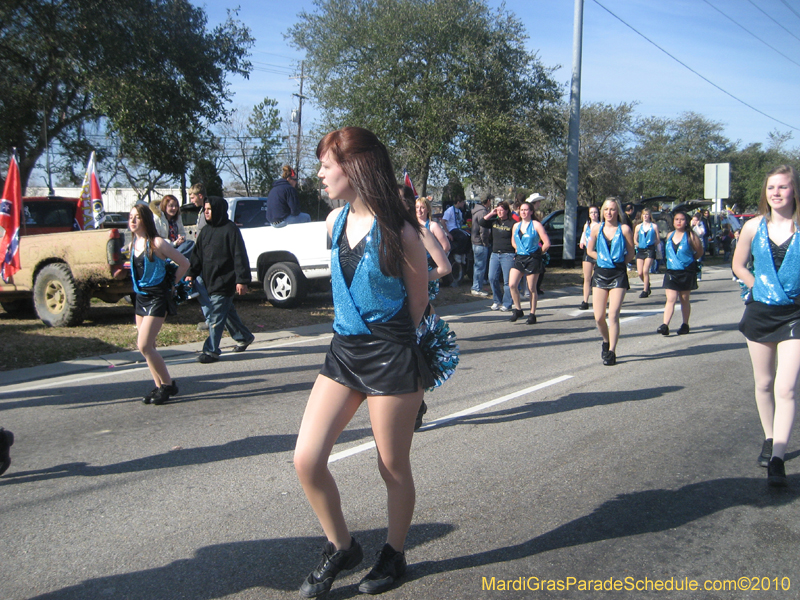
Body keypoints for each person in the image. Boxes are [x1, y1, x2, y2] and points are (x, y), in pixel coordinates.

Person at [293, 127, 431, 597]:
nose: (320, 174)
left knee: (391, 466)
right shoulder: (333, 222)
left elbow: (418, 305)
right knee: (307, 459)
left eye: (326, 165)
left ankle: (394, 553)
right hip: (343, 352)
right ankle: (342, 545)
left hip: (390, 356)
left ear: (354, 168)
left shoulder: (402, 232)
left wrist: (404, 367)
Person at [732, 165, 800, 488]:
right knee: (764, 383)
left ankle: (777, 459)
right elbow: (738, 264)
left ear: (794, 190)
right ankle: (770, 437)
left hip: (795, 315)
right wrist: (755, 285)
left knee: (786, 388)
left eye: (783, 187)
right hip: (760, 312)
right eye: (771, 187)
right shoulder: (752, 227)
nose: (776, 193)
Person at [128, 204, 190, 404]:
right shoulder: (133, 244)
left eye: (137, 217)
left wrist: (172, 284)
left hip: (157, 297)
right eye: (130, 217)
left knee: (144, 345)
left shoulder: (157, 243)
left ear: (146, 220)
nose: (132, 221)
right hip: (141, 298)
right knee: (149, 347)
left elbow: (184, 263)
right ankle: (159, 386)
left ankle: (168, 385)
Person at [186, 196, 255, 363]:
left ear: (218, 210)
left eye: (209, 209)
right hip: (210, 281)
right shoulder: (205, 231)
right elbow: (197, 256)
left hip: (226, 280)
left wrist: (242, 280)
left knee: (216, 316)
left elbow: (239, 255)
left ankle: (211, 351)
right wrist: (191, 273)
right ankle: (243, 336)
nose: (206, 212)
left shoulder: (230, 229)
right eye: (205, 209)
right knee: (227, 313)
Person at [587, 197, 635, 366]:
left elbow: (631, 252)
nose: (609, 212)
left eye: (612, 209)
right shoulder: (596, 229)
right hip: (600, 273)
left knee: (613, 314)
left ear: (617, 211)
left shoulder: (625, 229)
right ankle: (606, 341)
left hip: (618, 274)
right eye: (606, 209)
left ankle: (612, 351)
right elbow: (590, 250)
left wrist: (619, 263)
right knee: (599, 317)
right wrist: (602, 259)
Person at [656, 211, 703, 336]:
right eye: (676, 219)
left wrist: (689, 261)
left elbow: (699, 251)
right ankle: (665, 325)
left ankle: (685, 324)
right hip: (671, 271)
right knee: (671, 298)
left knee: (684, 299)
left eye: (682, 219)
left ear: (686, 222)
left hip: (686, 271)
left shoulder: (691, 236)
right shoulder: (670, 235)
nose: (679, 222)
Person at [508, 201, 550, 324]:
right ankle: (518, 309)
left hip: (532, 258)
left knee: (531, 288)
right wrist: (517, 248)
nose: (524, 212)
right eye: (522, 210)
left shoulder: (536, 225)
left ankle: (532, 313)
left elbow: (547, 243)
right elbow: (513, 241)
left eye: (526, 210)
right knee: (512, 284)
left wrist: (539, 253)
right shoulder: (516, 226)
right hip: (520, 257)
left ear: (531, 211)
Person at [480, 200, 516, 311]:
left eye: (502, 210)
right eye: (498, 210)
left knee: (507, 281)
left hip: (508, 254)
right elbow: (482, 222)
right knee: (492, 278)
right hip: (495, 254)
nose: (499, 212)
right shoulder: (494, 222)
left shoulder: (512, 223)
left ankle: (507, 303)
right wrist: (492, 213)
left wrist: (516, 253)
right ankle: (497, 300)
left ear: (507, 211)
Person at [187, 183, 212, 329]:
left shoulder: (207, 212)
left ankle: (211, 320)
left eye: (192, 197)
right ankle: (213, 319)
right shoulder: (202, 211)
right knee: (201, 285)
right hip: (202, 255)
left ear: (200, 196)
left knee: (201, 284)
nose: (191, 200)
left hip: (206, 256)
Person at [154, 194, 194, 260]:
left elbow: (182, 232)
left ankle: (174, 258)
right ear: (165, 206)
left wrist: (181, 239)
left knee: (190, 243)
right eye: (171, 206)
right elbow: (157, 239)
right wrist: (174, 243)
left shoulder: (178, 218)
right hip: (165, 249)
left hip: (178, 247)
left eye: (176, 206)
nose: (174, 208)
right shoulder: (158, 218)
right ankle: (171, 259)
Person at [633, 208, 660, 298]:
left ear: (650, 215)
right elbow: (635, 239)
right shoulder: (638, 227)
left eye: (647, 214)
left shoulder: (654, 226)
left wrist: (653, 245)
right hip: (640, 250)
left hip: (650, 250)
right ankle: (647, 284)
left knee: (645, 270)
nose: (645, 216)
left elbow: (658, 239)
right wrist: (638, 244)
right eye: (644, 214)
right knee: (640, 272)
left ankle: (645, 290)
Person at [578, 205, 601, 310]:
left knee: (597, 277)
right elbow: (584, 234)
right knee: (587, 277)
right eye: (591, 212)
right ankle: (585, 301)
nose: (593, 214)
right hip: (587, 252)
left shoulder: (601, 225)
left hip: (597, 252)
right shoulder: (587, 225)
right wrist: (582, 242)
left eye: (595, 212)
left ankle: (598, 300)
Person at [470, 194, 492, 297]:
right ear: (488, 201)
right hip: (480, 243)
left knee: (478, 266)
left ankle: (477, 286)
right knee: (480, 266)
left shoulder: (476, 210)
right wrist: (485, 242)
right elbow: (484, 229)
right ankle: (476, 288)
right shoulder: (482, 212)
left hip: (475, 241)